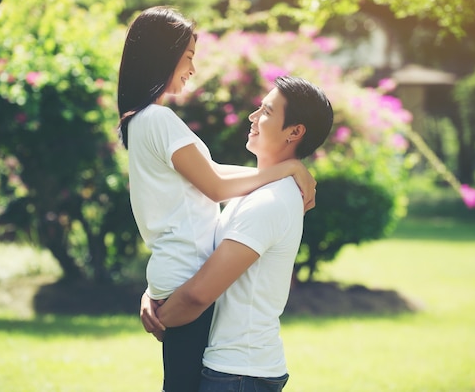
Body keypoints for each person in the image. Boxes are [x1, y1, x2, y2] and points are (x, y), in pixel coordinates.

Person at [117, 7, 318, 392]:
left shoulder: (143, 121)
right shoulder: (158, 120)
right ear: (164, 55)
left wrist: (290, 170)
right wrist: (290, 169)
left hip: (173, 273)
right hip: (183, 276)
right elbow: (216, 186)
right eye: (189, 56)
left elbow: (218, 173)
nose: (193, 68)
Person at [141, 75, 334, 391]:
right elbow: (201, 249)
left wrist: (160, 315)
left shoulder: (271, 202)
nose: (253, 117)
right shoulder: (256, 190)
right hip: (228, 369)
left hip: (239, 374)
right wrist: (154, 293)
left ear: (295, 132)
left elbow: (198, 294)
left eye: (267, 112)